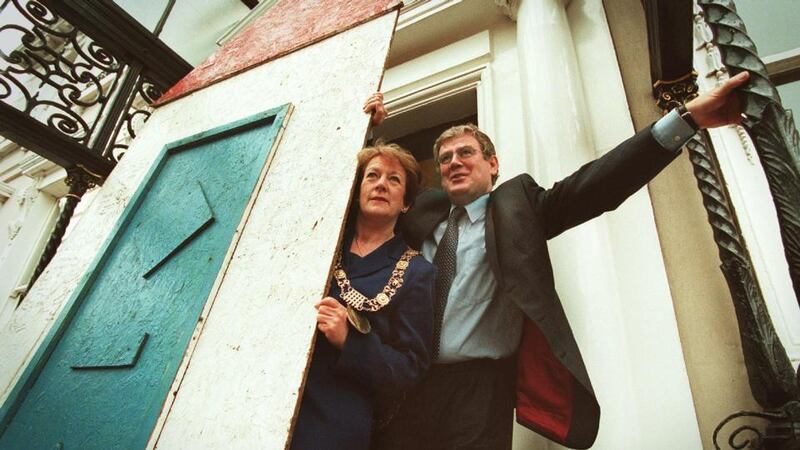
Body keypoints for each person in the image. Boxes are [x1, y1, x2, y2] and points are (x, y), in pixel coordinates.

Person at [363, 71, 751, 450]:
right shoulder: (419, 213)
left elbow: (595, 185)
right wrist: (364, 129)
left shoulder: (517, 207)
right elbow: (356, 206)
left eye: (466, 152)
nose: (454, 162)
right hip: (406, 380)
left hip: (478, 390)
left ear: (493, 165)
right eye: (445, 158)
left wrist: (688, 118)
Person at [289, 143, 436, 450]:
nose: (382, 184)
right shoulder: (319, 241)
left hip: (336, 420)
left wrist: (349, 341)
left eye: (394, 180)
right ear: (356, 191)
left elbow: (411, 367)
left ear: (406, 203)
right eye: (373, 176)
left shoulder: (416, 272)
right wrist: (366, 120)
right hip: (276, 398)